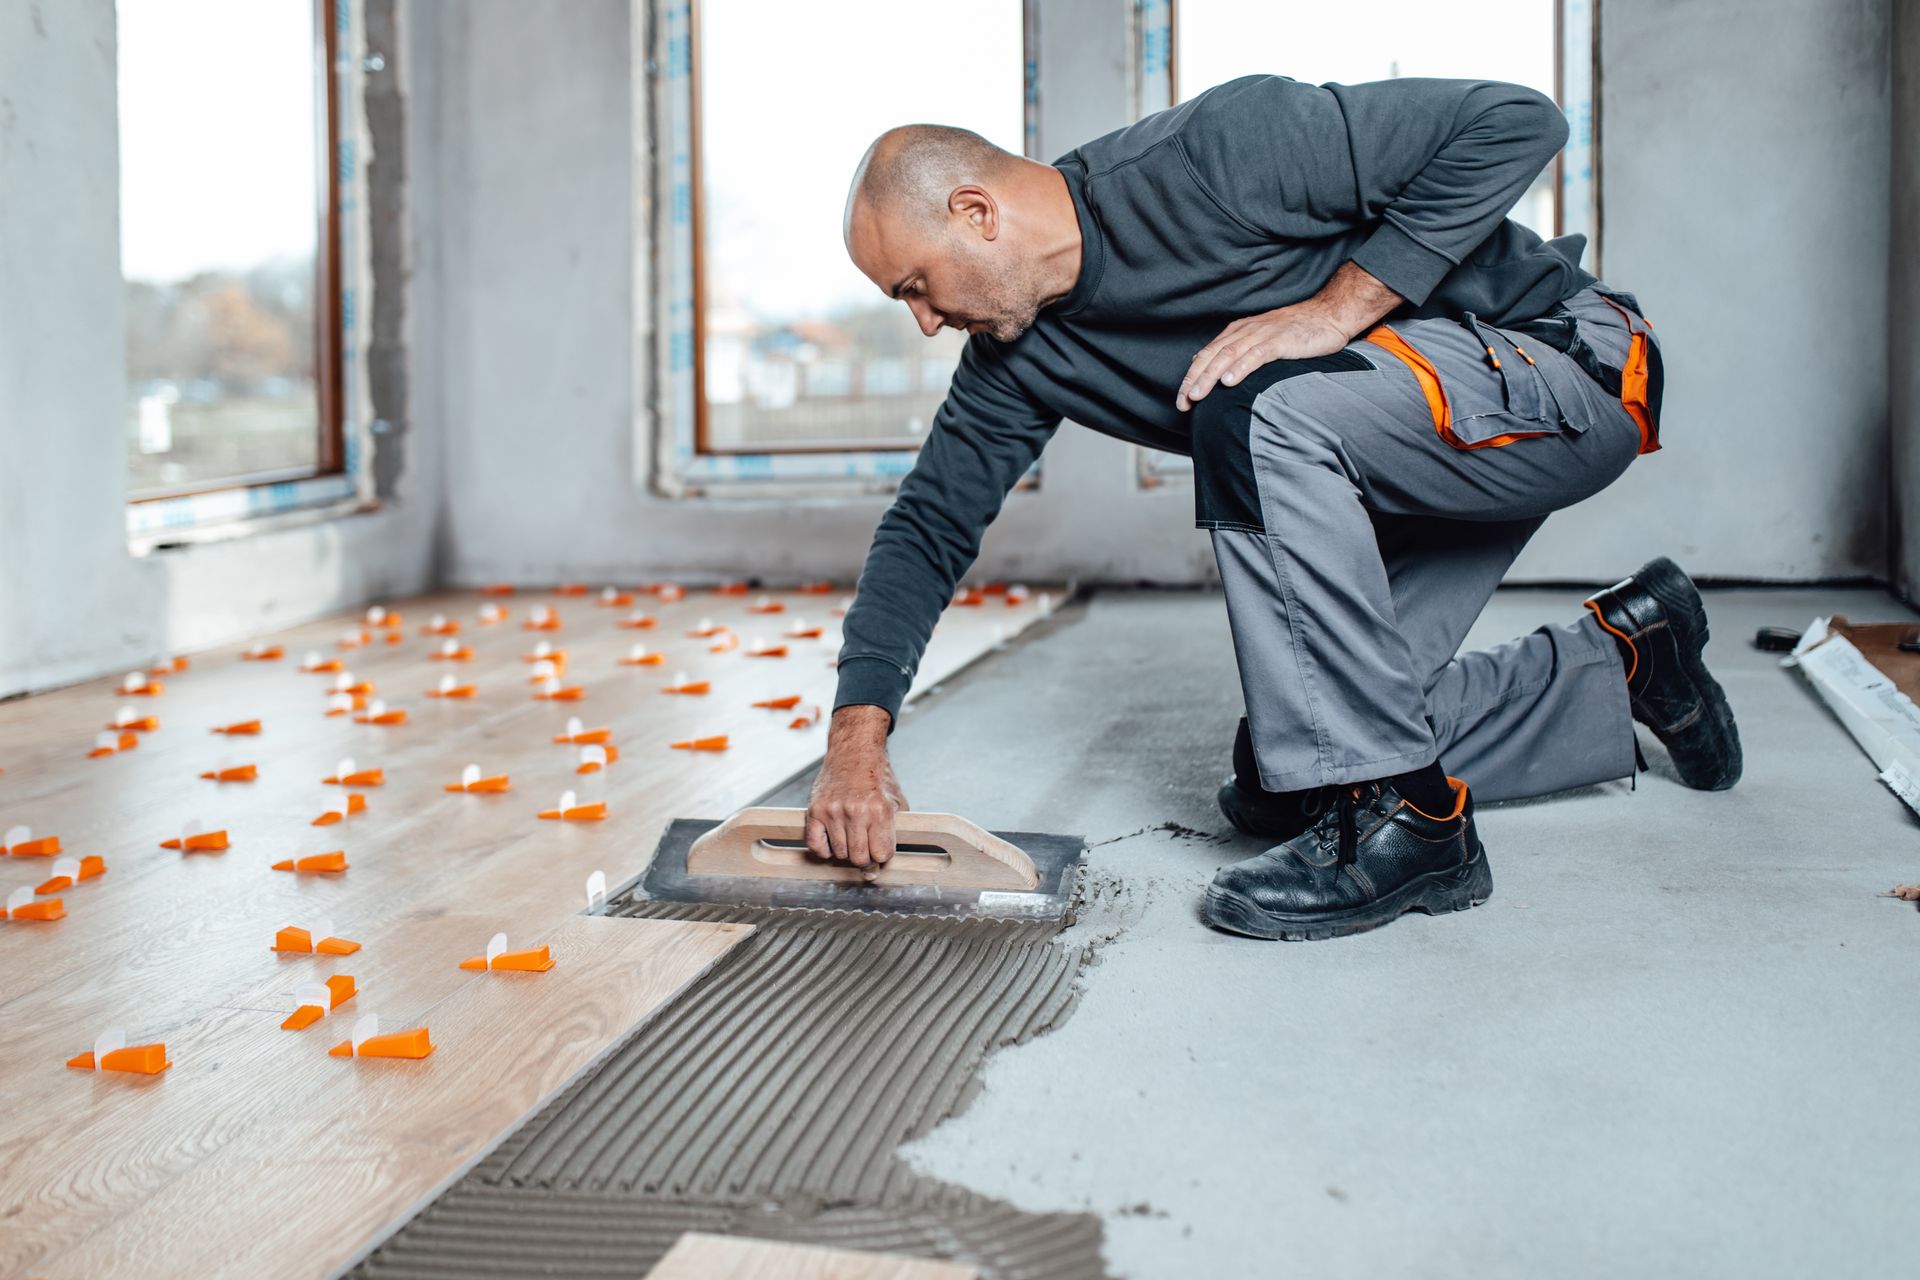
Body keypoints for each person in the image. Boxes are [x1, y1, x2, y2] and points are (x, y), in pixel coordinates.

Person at [804, 73, 1741, 941]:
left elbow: (1518, 121)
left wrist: (1339, 307)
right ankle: (1625, 660)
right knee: (1293, 768)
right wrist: (856, 740)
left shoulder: (1216, 154)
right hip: (1429, 443)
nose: (924, 322)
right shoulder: (1016, 357)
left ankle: (1414, 825)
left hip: (1563, 366)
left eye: (916, 288)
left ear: (975, 213)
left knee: (1253, 406)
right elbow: (929, 524)